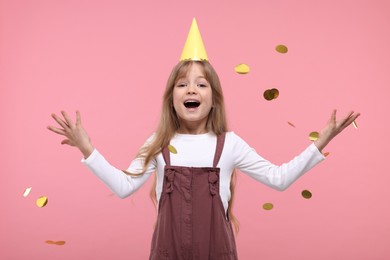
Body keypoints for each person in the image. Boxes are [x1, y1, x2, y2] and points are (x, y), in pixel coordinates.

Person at [47, 19, 360, 260]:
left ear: (214, 99)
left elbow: (278, 178)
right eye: (182, 85)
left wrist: (322, 141)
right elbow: (123, 186)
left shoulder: (230, 144)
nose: (192, 90)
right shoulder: (158, 142)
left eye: (201, 85)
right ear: (172, 98)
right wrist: (87, 148)